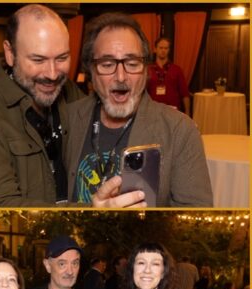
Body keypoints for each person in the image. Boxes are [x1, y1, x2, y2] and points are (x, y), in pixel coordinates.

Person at [65, 13, 212, 207]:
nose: (121, 76)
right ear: (91, 71)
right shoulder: (67, 117)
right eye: (107, 64)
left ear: (145, 70)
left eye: (132, 64)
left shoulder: (180, 131)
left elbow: (195, 218)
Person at [0, 5, 84, 207]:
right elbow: (1, 204)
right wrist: (93, 209)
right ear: (10, 53)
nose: (52, 74)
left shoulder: (70, 91)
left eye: (61, 58)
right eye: (38, 59)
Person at [147, 37, 191, 116]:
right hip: (153, 111)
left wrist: (187, 112)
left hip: (173, 112)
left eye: (166, 48)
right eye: (161, 48)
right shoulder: (148, 70)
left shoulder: (177, 69)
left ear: (169, 50)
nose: (163, 50)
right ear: (155, 49)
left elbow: (184, 93)